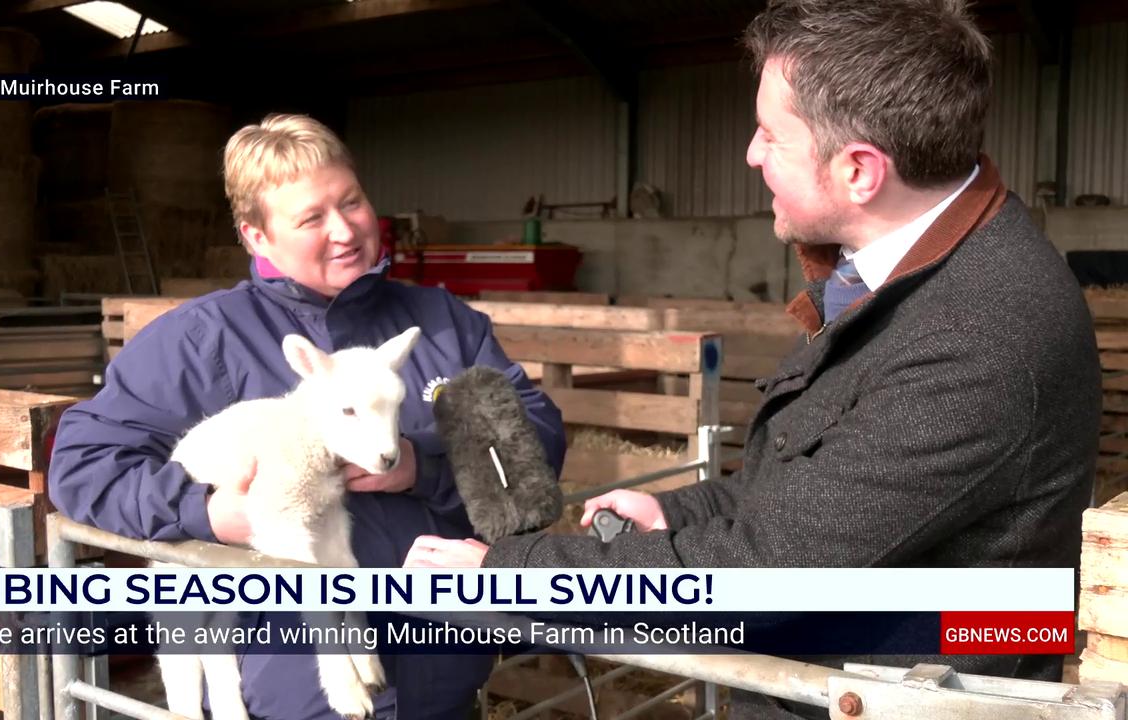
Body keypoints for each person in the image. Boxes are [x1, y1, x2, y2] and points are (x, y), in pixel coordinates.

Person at [404, 1, 1100, 717]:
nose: (751, 153)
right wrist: (676, 511)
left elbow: (768, 572)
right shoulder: (911, 271)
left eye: (772, 134)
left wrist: (509, 573)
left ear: (860, 170)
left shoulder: (977, 335)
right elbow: (817, 483)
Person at [48, 113, 566, 719]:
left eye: (352, 202)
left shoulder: (443, 326)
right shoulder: (200, 341)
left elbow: (535, 447)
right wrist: (208, 512)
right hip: (290, 688)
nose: (345, 230)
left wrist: (422, 467)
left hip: (445, 671)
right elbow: (84, 465)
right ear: (257, 237)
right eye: (311, 218)